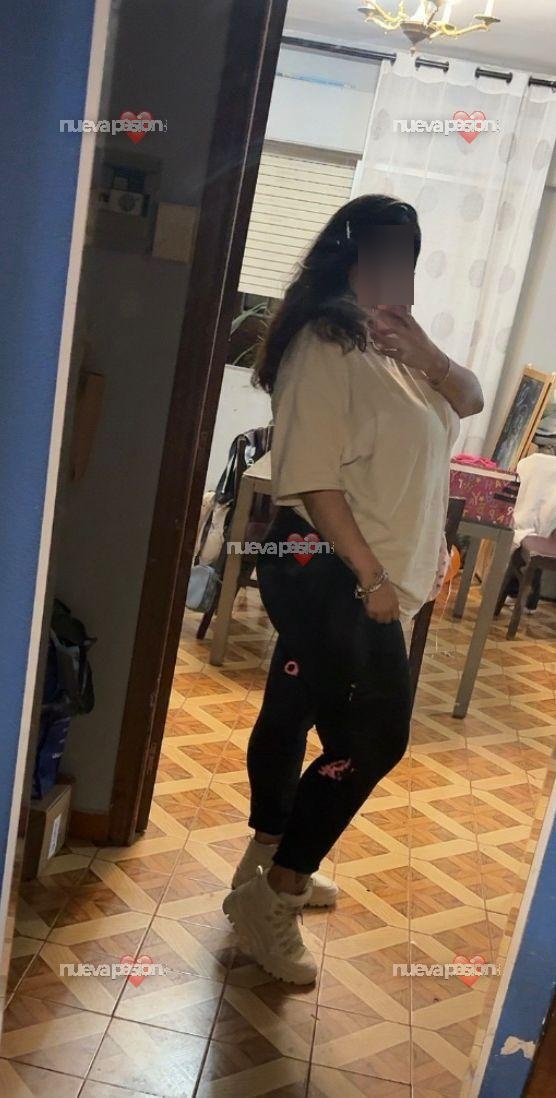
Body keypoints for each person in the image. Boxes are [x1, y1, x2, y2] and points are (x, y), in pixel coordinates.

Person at [222, 195, 484, 984]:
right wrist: (372, 577)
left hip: (368, 570)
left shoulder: (394, 341)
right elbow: (313, 479)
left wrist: (428, 351)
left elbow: (467, 401)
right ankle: (276, 894)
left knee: (294, 710)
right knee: (373, 740)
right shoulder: (323, 343)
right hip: (328, 566)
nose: (401, 269)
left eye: (410, 254)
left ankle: (263, 866)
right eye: (386, 253)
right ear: (349, 257)